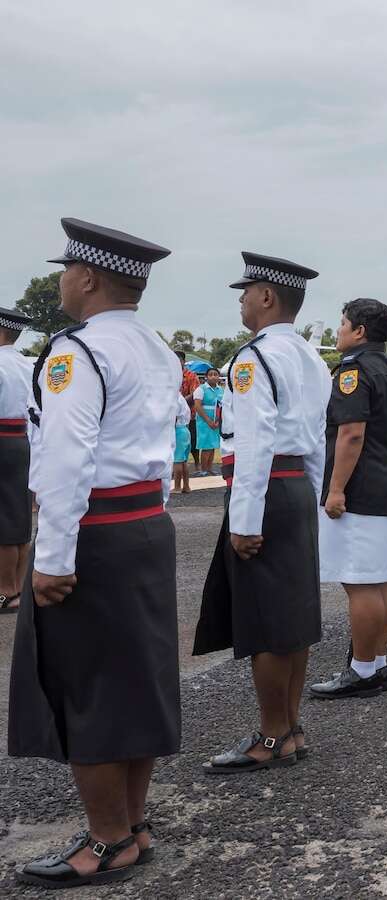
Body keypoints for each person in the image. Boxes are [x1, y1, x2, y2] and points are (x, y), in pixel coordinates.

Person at [9, 219, 184, 888]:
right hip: (144, 526)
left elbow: (65, 459)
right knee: (133, 682)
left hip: (93, 533)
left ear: (86, 278)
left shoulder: (75, 353)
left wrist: (52, 557)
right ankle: (132, 825)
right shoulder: (157, 348)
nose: (60, 281)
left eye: (65, 271)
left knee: (89, 687)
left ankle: (108, 840)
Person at [193, 252, 328, 774]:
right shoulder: (310, 358)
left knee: (267, 619)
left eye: (245, 291)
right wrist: (312, 500)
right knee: (291, 616)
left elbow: (253, 444)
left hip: (266, 489)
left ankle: (272, 736)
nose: (242, 300)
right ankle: (289, 727)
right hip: (294, 490)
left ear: (267, 296)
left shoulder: (253, 359)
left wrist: (245, 521)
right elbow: (315, 440)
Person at [311, 299, 387, 700]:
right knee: (378, 581)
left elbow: (351, 433)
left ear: (360, 332)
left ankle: (363, 670)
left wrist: (335, 489)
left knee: (360, 583)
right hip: (385, 482)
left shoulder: (354, 371)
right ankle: (376, 662)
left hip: (361, 488)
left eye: (342, 324)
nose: (338, 332)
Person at [0, 308, 34, 614]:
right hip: (22, 440)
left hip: (1, 440)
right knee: (20, 515)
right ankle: (18, 587)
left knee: (4, 520)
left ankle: (4, 591)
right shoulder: (25, 364)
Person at [192, 367, 224, 475]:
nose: (213, 376)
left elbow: (223, 406)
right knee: (206, 446)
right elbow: (197, 406)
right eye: (211, 374)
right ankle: (203, 469)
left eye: (216, 374)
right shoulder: (201, 389)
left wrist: (218, 421)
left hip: (216, 420)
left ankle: (210, 468)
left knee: (213, 445)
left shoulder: (221, 390)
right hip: (204, 421)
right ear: (206, 377)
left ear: (219, 377)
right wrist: (208, 421)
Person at [172, 372, 192, 495]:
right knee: (184, 460)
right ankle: (186, 486)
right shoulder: (181, 398)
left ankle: (177, 487)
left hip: (178, 430)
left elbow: (173, 418)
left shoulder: (174, 399)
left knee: (177, 460)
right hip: (185, 429)